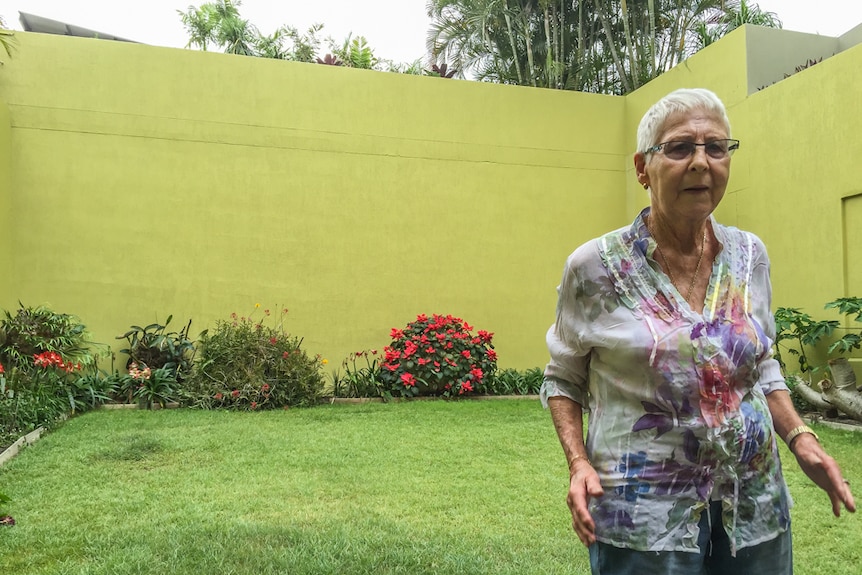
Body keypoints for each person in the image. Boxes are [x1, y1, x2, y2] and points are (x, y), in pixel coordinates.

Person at [541, 87, 855, 574]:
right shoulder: (594, 267)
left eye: (716, 147)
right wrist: (579, 463)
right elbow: (563, 378)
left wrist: (800, 436)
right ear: (643, 168)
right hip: (643, 519)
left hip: (753, 507)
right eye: (681, 147)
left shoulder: (750, 255)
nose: (701, 162)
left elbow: (761, 362)